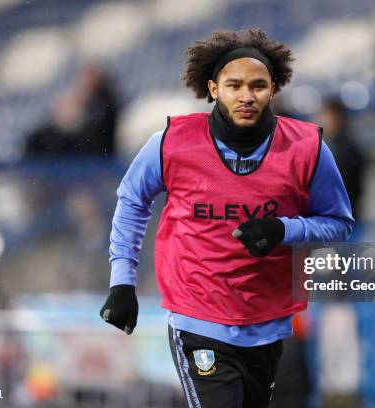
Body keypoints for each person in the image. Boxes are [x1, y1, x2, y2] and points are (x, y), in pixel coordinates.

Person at [100, 28, 354, 408]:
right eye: (234, 85)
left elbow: (340, 224)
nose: (247, 96)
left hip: (268, 322)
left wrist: (284, 230)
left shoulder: (308, 148)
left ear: (273, 89)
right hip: (197, 319)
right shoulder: (172, 142)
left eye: (258, 86)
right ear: (213, 89)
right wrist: (122, 281)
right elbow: (132, 201)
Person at [315, 99, 366, 220]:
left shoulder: (344, 149)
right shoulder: (327, 146)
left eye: (325, 116)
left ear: (337, 118)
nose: (320, 120)